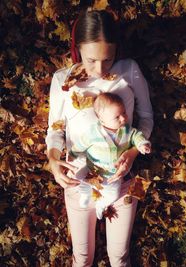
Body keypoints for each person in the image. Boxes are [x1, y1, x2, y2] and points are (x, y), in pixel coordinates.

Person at [46, 9, 153, 267]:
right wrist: (53, 161)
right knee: (82, 259)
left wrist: (132, 152)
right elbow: (55, 129)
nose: (99, 69)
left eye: (108, 59)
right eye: (91, 59)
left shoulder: (128, 71)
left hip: (121, 182)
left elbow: (146, 117)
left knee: (120, 258)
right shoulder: (63, 80)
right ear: (78, 48)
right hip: (80, 183)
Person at [69, 92, 151, 220]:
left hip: (113, 174)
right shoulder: (93, 133)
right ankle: (85, 193)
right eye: (117, 117)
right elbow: (81, 143)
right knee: (79, 177)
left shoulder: (127, 130)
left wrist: (142, 144)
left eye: (124, 112)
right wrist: (73, 153)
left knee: (113, 195)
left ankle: (101, 204)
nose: (123, 118)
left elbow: (137, 136)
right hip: (93, 169)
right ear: (102, 120)